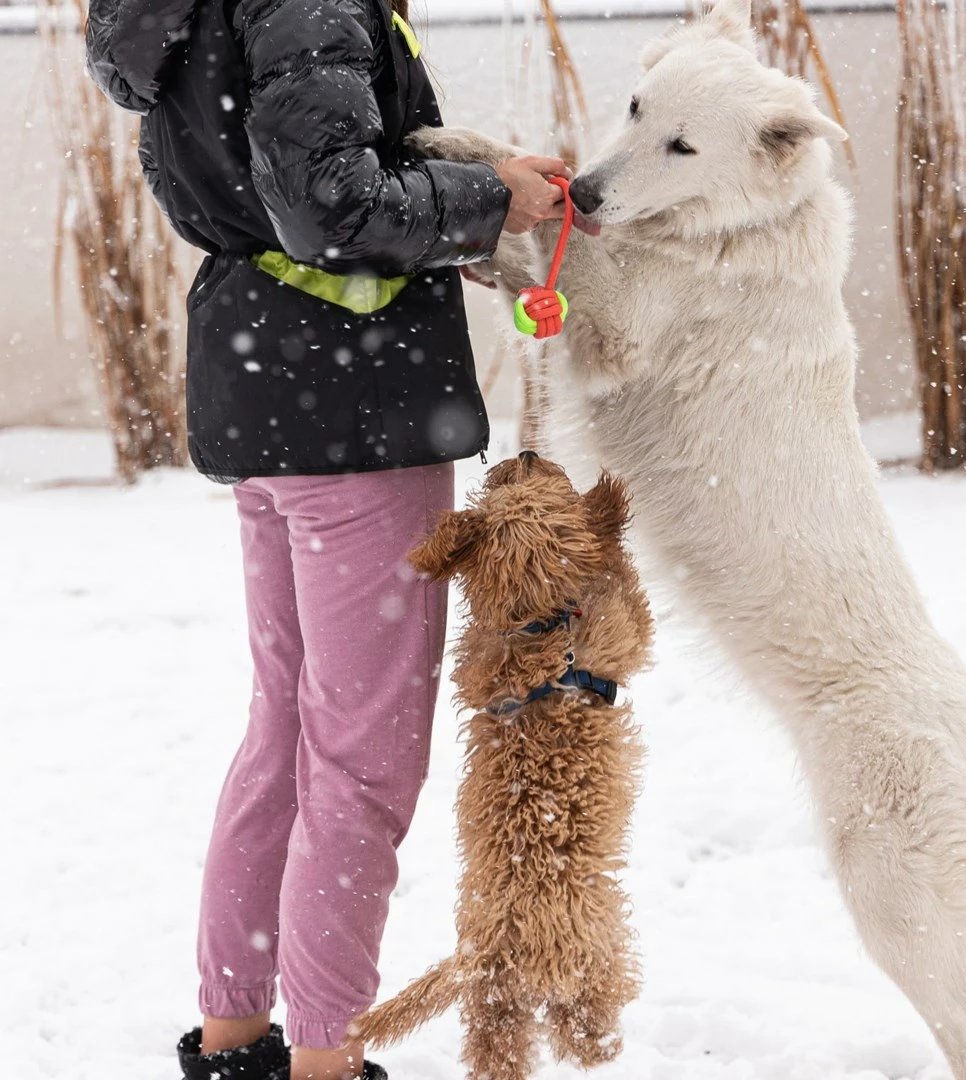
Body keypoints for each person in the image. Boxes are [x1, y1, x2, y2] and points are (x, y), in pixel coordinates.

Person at [85, 0, 569, 1076]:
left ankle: (237, 1036)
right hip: (356, 408)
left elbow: (256, 189)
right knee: (359, 763)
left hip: (263, 381)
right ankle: (325, 1060)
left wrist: (467, 189)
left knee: (290, 735)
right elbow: (332, 209)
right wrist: (495, 199)